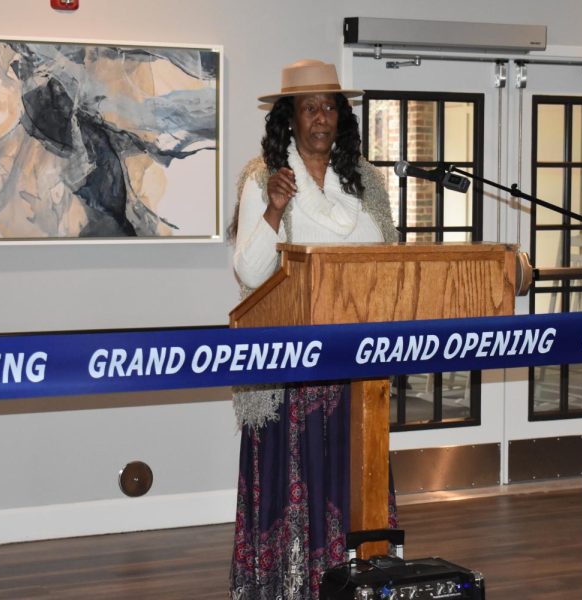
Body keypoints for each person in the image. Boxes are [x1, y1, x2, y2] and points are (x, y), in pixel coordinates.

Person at [228, 59, 398, 600]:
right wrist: (275, 210)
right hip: (293, 366)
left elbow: (388, 260)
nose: (321, 117)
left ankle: (361, 579)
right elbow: (250, 273)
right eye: (309, 108)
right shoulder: (264, 178)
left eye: (330, 107)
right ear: (291, 118)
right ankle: (288, 584)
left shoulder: (367, 181)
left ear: (341, 118)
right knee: (294, 480)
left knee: (354, 478)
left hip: (357, 361)